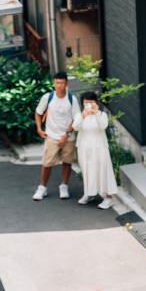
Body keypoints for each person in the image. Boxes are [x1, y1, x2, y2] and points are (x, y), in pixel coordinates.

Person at [33, 71, 78, 201]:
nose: (60, 86)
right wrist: (39, 129)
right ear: (53, 83)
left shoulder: (71, 99)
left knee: (67, 162)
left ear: (66, 84)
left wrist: (66, 134)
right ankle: (42, 188)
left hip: (68, 137)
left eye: (62, 83)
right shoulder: (48, 97)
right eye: (57, 83)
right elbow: (38, 113)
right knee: (47, 163)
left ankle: (64, 186)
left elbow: (76, 118)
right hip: (51, 135)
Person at [72, 91, 118, 210]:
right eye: (86, 102)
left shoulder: (102, 114)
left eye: (91, 101)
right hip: (84, 148)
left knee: (104, 171)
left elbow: (103, 126)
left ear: (96, 102)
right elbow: (75, 127)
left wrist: (96, 112)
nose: (89, 104)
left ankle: (109, 198)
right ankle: (89, 194)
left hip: (99, 147)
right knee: (87, 171)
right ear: (82, 103)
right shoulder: (79, 115)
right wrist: (83, 115)